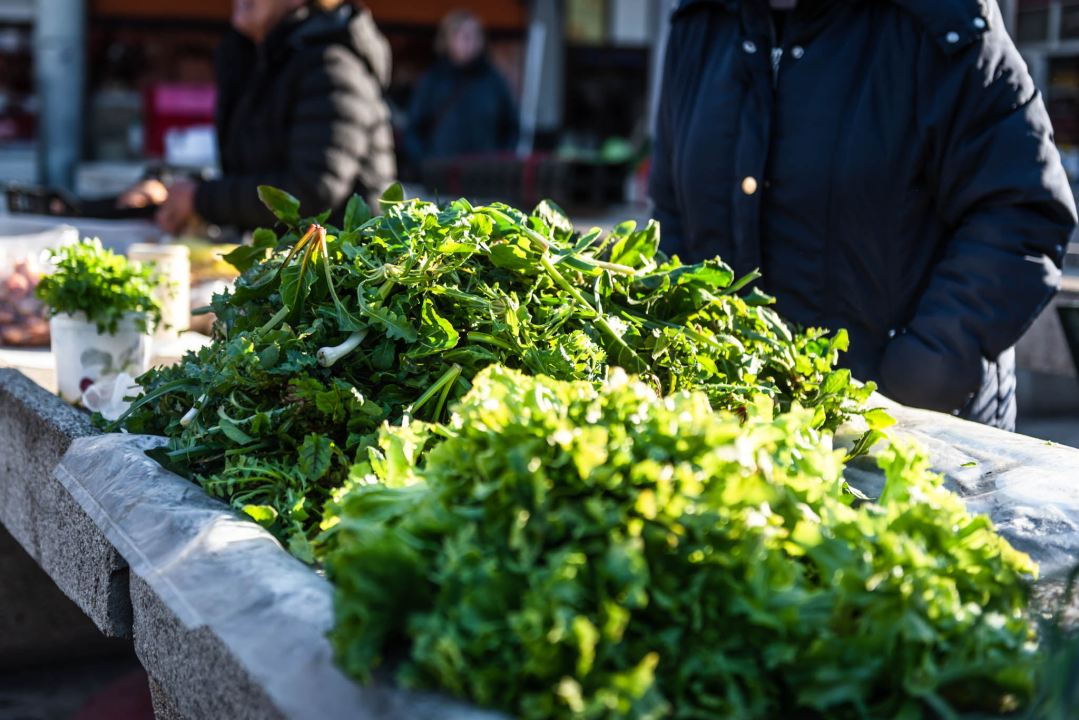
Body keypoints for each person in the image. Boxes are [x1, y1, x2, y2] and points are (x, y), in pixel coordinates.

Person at [650, 0, 1079, 430]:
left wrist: (916, 382)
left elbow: (1020, 209)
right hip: (742, 436)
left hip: (911, 436)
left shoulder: (941, 14)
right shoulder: (701, 21)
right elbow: (672, 213)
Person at [135, 0, 396, 233]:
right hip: (295, 264)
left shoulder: (332, 65)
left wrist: (200, 199)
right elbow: (260, 171)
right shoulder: (263, 59)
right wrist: (178, 192)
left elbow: (311, 191)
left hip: (346, 274)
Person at [403, 10, 519, 169]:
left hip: (485, 174)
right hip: (443, 174)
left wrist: (500, 159)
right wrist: (426, 163)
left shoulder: (494, 80)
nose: (470, 42)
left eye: (475, 36)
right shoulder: (433, 80)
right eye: (464, 36)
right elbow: (413, 130)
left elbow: (511, 126)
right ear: (449, 40)